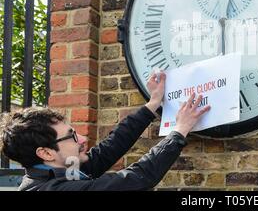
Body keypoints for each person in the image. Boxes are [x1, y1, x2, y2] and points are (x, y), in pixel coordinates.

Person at [0, 71, 210, 191]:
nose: (82, 139)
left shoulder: (60, 171)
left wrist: (152, 104)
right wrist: (180, 131)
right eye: (72, 136)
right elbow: (136, 179)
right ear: (46, 153)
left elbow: (109, 148)